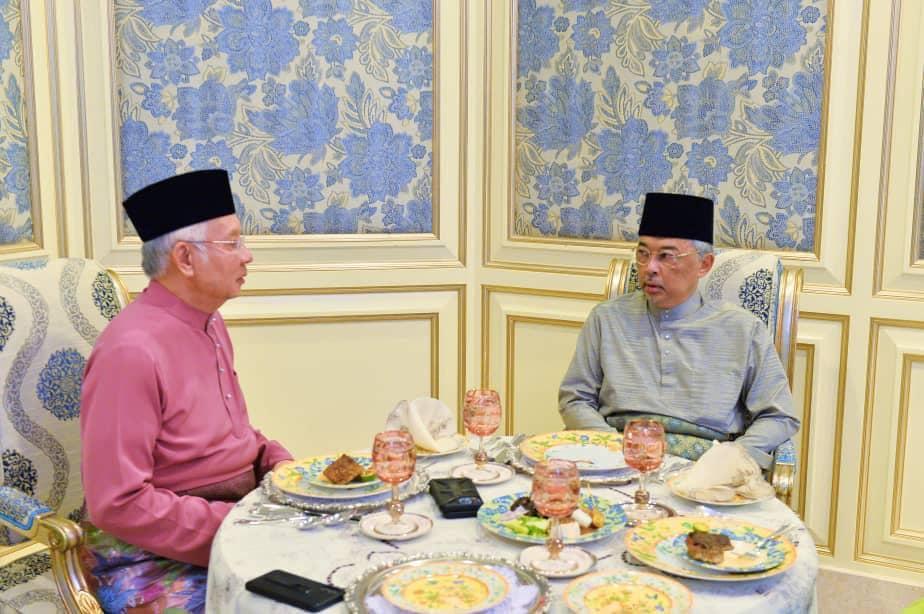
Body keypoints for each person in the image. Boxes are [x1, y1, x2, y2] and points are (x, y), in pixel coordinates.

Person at [79, 169, 293, 613]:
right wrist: (240, 523)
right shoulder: (130, 351)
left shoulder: (210, 320)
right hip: (148, 558)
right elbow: (118, 504)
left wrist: (277, 463)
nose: (247, 256)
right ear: (185, 258)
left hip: (234, 520)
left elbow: (224, 436)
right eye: (232, 243)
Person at [558, 192, 800, 468]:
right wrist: (612, 447)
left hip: (706, 468)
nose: (649, 268)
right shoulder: (606, 318)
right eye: (643, 254)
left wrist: (731, 457)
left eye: (667, 256)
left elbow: (779, 416)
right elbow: (575, 398)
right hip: (617, 458)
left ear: (704, 264)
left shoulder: (743, 330)